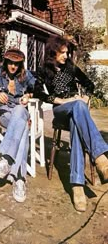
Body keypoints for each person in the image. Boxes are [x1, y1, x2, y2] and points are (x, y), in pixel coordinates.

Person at [34, 35, 108, 212]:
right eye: (63, 53)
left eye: (67, 52)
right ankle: (100, 158)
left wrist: (86, 97)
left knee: (78, 118)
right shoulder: (44, 70)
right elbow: (37, 91)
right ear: (53, 52)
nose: (66, 56)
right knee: (77, 106)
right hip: (61, 111)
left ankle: (77, 186)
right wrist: (59, 101)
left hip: (77, 111)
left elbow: (89, 84)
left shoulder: (70, 68)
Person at [0, 48, 35, 203]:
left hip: (21, 111)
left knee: (19, 111)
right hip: (4, 115)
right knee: (23, 128)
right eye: (10, 63)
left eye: (16, 64)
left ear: (21, 64)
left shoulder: (26, 75)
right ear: (6, 62)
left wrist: (28, 95)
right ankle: (20, 180)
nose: (13, 67)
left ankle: (7, 162)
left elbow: (38, 90)